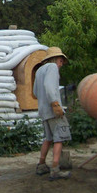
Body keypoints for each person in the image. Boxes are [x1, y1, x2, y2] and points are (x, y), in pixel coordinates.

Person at [33, 47, 72, 180]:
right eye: (61, 61)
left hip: (43, 111)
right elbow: (49, 88)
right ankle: (55, 169)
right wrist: (55, 104)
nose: (61, 64)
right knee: (59, 138)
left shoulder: (39, 71)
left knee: (48, 138)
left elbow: (35, 92)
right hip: (53, 111)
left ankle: (41, 165)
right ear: (55, 59)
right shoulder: (52, 68)